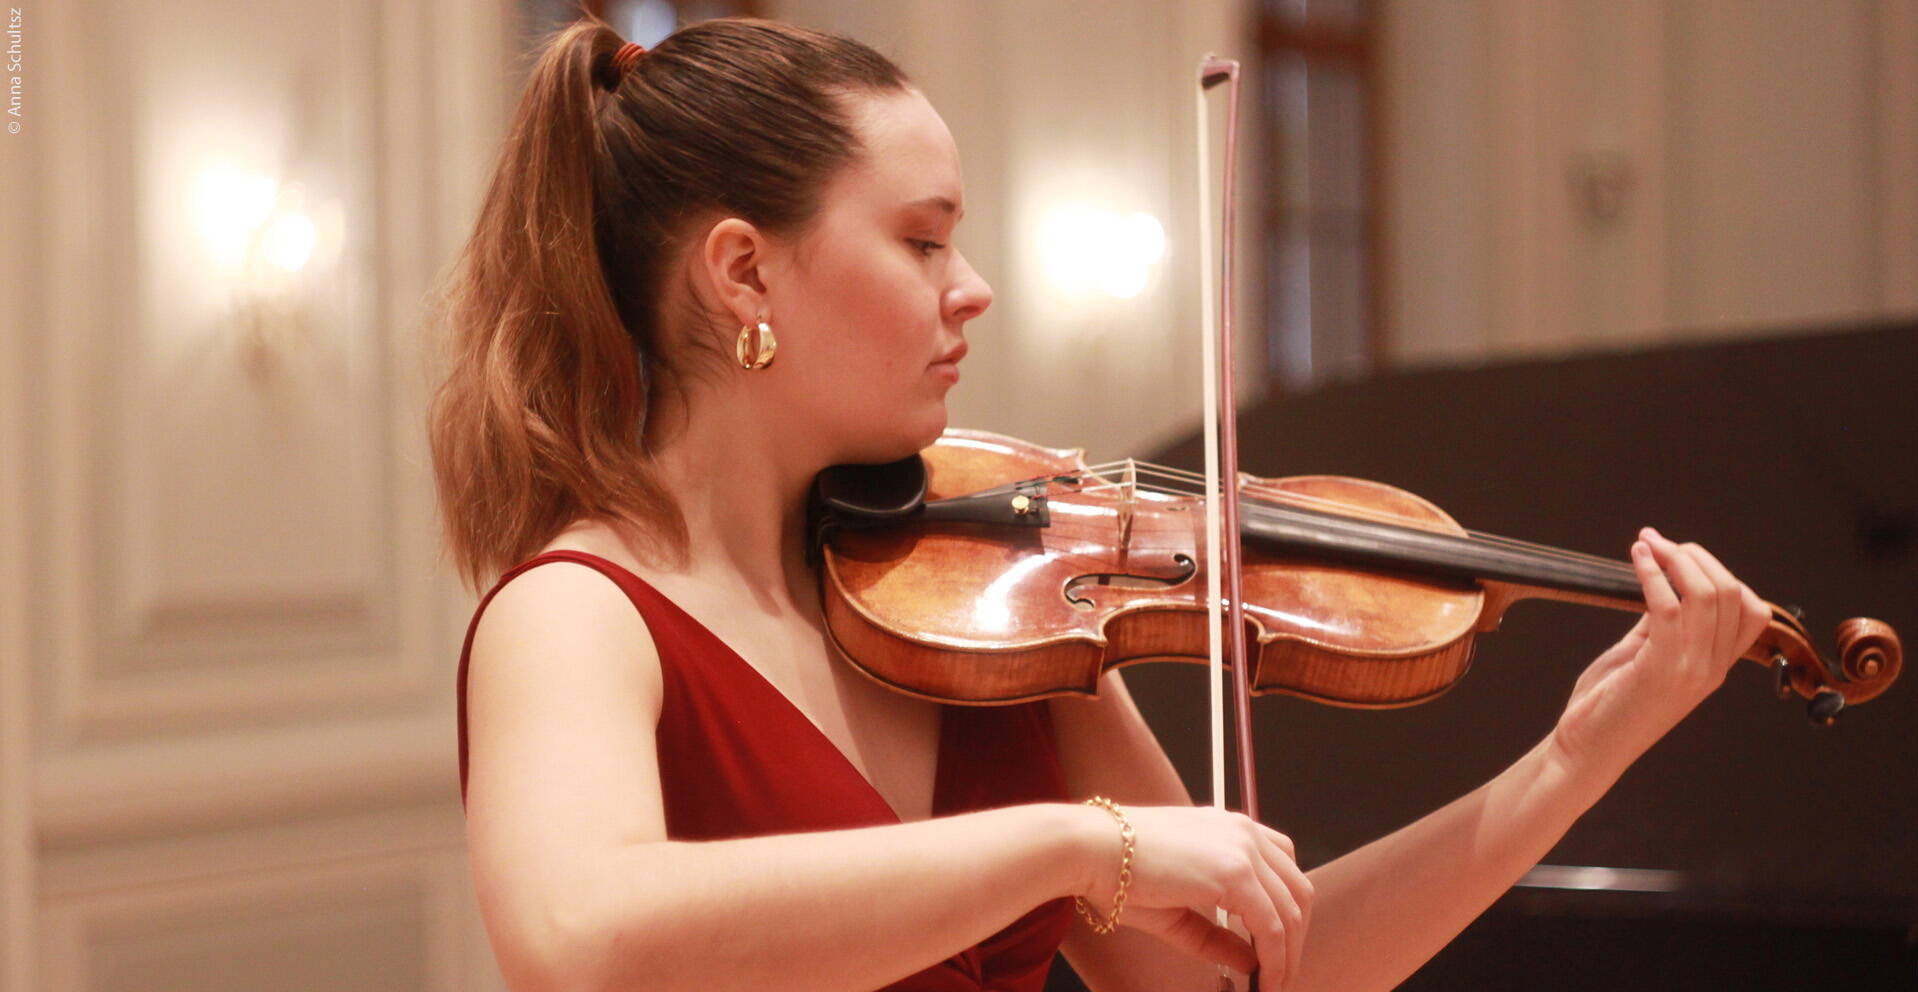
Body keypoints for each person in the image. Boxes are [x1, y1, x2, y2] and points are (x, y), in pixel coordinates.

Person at [425, 16, 1771, 992]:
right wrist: (1075, 846)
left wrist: (1572, 761)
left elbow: (1250, 976)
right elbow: (582, 936)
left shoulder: (983, 607)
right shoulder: (579, 614)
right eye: (921, 238)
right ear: (742, 274)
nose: (972, 287)